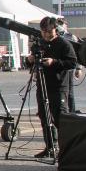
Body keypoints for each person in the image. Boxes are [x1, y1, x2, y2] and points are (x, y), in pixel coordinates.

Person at [27, 16, 76, 160]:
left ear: (55, 29)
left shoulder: (64, 44)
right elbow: (32, 63)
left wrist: (53, 62)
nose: (46, 34)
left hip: (59, 86)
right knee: (44, 117)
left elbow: (72, 62)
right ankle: (50, 147)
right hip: (42, 85)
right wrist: (29, 61)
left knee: (60, 118)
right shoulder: (40, 43)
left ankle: (67, 150)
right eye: (43, 32)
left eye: (49, 31)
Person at [55, 17, 82, 113]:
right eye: (58, 24)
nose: (60, 26)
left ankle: (72, 111)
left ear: (66, 25)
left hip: (69, 68)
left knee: (69, 92)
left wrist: (79, 68)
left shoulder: (71, 37)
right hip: (56, 67)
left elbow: (78, 53)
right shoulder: (53, 36)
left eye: (62, 24)